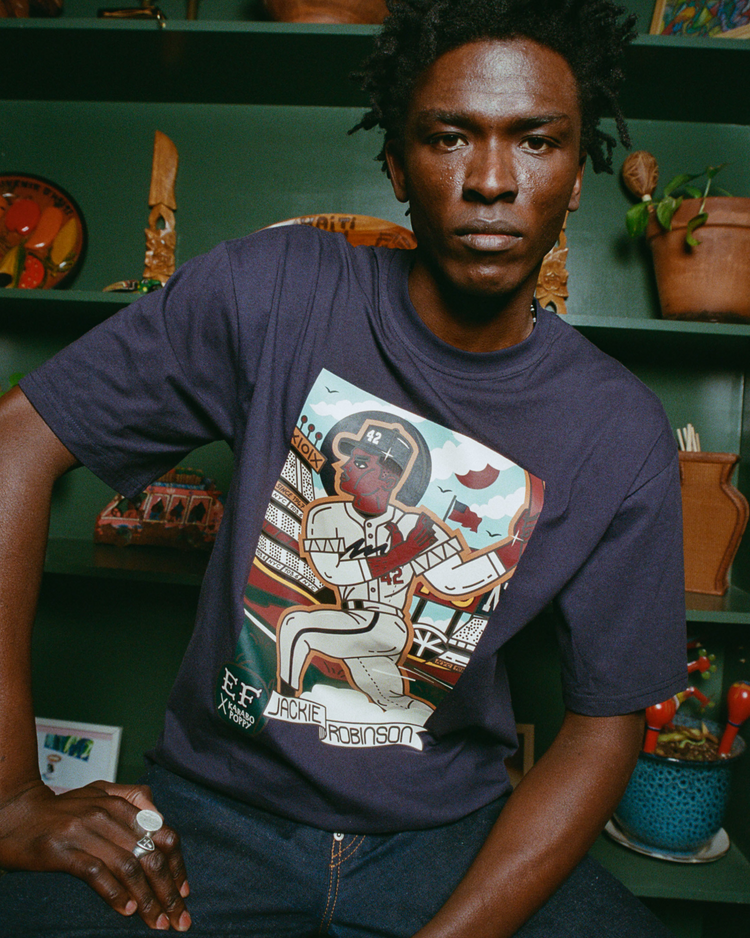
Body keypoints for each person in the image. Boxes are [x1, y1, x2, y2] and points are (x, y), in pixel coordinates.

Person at [0, 0, 687, 935]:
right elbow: (16, 442)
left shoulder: (618, 429)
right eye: (449, 137)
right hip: (214, 819)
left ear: (575, 174)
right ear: (397, 165)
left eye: (536, 141)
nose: (491, 180)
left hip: (448, 839)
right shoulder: (272, 290)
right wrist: (11, 793)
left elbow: (605, 725)